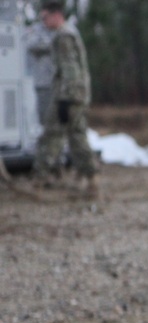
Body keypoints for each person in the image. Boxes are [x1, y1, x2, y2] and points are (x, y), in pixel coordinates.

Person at [31, 0, 99, 199]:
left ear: (55, 15)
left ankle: (39, 180)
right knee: (77, 137)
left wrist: (64, 101)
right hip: (76, 95)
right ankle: (92, 179)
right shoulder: (69, 32)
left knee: (51, 136)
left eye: (44, 17)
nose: (43, 22)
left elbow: (70, 70)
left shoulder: (63, 36)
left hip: (68, 96)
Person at [24, 15, 55, 125]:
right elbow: (30, 44)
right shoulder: (37, 30)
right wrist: (50, 44)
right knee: (44, 115)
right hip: (43, 82)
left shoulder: (60, 30)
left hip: (59, 82)